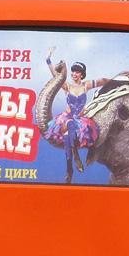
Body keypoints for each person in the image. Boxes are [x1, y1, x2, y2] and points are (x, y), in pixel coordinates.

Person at [44, 46, 110, 182]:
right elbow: (55, 76)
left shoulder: (86, 85)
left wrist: (117, 81)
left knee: (69, 134)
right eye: (72, 71)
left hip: (81, 121)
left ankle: (69, 169)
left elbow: (102, 81)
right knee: (69, 123)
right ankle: (76, 157)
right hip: (66, 119)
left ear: (81, 74)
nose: (73, 74)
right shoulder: (67, 86)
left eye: (76, 72)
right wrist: (48, 59)